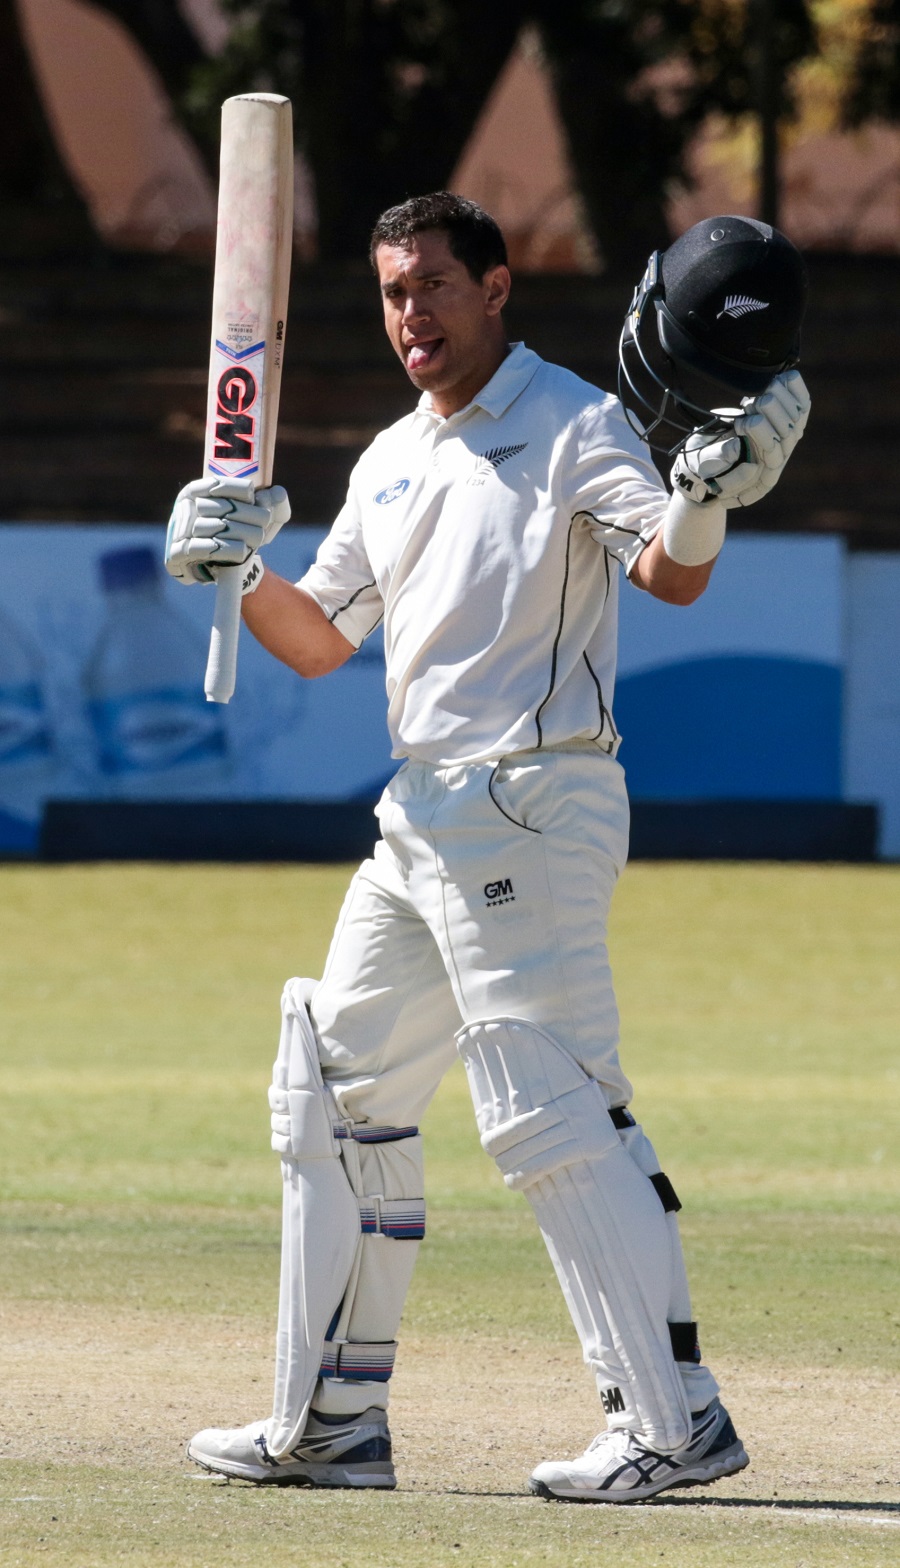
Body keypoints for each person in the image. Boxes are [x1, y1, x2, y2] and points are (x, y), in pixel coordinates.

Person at [165, 195, 809, 1502]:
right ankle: (334, 1421)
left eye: (435, 288)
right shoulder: (395, 459)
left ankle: (673, 1420)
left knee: (552, 1108)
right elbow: (318, 640)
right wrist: (232, 569)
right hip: (420, 817)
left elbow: (671, 573)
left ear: (497, 288)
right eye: (394, 292)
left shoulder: (575, 423)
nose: (412, 315)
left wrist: (707, 499)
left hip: (535, 800)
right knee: (337, 1098)